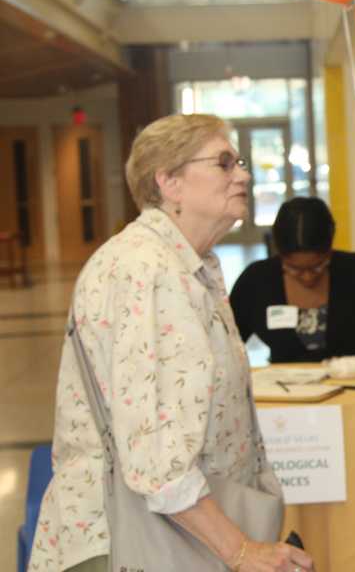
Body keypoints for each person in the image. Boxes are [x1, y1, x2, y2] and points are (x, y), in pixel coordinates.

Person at [28, 114, 314, 572]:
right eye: (224, 163)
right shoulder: (151, 273)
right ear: (169, 182)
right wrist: (241, 552)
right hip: (132, 542)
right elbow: (158, 463)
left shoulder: (180, 265)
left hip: (168, 534)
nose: (243, 173)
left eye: (239, 161)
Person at [230, 197, 355, 369]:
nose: (307, 277)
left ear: (330, 249)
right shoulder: (255, 281)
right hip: (286, 399)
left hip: (352, 394)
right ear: (279, 254)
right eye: (293, 268)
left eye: (318, 266)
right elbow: (227, 345)